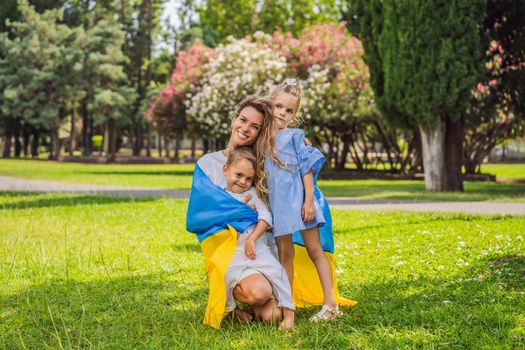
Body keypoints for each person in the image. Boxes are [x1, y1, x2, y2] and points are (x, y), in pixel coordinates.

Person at [187, 96, 294, 329]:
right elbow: (200, 216)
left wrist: (300, 144)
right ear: (234, 119)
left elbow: (272, 211)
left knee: (272, 316)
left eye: (254, 126)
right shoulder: (207, 164)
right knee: (258, 294)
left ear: (259, 133)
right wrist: (242, 212)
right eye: (243, 120)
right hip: (227, 250)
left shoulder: (260, 165)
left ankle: (261, 292)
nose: (245, 129)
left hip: (258, 248)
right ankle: (235, 303)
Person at [257, 78, 350, 322]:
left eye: (289, 110)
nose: (282, 113)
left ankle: (330, 304)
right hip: (278, 208)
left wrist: (309, 202)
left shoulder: (296, 137)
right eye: (278, 106)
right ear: (270, 105)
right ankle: (288, 309)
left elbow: (306, 171)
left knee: (314, 249)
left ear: (294, 114)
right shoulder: (262, 139)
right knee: (285, 255)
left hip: (300, 204)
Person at [222, 147, 295, 329]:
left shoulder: (252, 193)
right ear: (225, 170)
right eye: (238, 175)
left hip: (257, 250)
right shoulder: (219, 196)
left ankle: (289, 315)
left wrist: (252, 238)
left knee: (279, 273)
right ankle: (232, 311)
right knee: (223, 277)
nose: (243, 181)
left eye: (249, 178)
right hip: (233, 253)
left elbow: (266, 217)